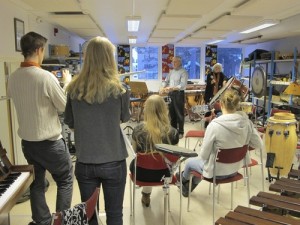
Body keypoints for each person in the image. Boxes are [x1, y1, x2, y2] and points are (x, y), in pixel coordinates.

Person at [7, 32, 73, 225]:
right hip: (50, 144)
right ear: (38, 50)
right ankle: (61, 221)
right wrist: (66, 84)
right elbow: (64, 107)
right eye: (43, 50)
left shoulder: (12, 78)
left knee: (37, 183)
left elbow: (28, 98)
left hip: (28, 144)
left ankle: (42, 221)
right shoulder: (45, 77)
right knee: (65, 180)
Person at [64, 36, 130, 225]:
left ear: (87, 57)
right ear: (110, 58)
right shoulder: (121, 89)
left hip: (85, 161)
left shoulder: (73, 89)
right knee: (115, 214)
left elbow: (70, 121)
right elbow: (124, 118)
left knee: (90, 216)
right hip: (114, 160)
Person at [177, 88, 263, 197]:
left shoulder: (215, 125)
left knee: (190, 163)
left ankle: (183, 182)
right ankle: (186, 185)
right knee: (202, 166)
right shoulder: (247, 122)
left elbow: (203, 156)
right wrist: (239, 147)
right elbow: (259, 144)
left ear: (221, 104)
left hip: (216, 172)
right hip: (235, 169)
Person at [129, 95, 179, 207]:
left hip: (141, 174)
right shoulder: (173, 132)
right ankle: (149, 193)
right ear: (164, 109)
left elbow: (134, 152)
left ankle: (146, 194)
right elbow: (174, 158)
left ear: (147, 110)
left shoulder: (138, 129)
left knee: (145, 162)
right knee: (158, 163)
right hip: (165, 175)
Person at [160, 56, 188, 139]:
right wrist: (162, 87)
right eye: (173, 62)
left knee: (179, 113)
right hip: (171, 94)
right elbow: (165, 81)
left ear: (179, 62)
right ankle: (173, 131)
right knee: (172, 114)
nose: (173, 63)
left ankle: (181, 132)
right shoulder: (171, 72)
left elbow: (182, 85)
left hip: (179, 94)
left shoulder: (183, 72)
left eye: (175, 62)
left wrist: (172, 88)